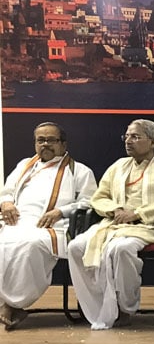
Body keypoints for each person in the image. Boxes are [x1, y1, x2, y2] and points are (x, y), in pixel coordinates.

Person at [67, 119, 154, 330]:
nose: (128, 141)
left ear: (152, 142)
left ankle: (126, 307)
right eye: (126, 136)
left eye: (135, 136)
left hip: (149, 227)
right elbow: (98, 197)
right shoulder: (118, 166)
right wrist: (114, 210)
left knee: (121, 249)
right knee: (75, 247)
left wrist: (138, 213)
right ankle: (98, 306)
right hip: (112, 224)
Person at [0, 122, 97, 330]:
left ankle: (14, 303)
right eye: (40, 140)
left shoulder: (79, 171)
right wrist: (6, 203)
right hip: (16, 221)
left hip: (54, 225)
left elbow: (90, 202)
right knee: (7, 241)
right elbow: (6, 191)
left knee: (29, 244)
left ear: (63, 144)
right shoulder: (24, 165)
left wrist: (60, 211)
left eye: (51, 140)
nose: (45, 144)